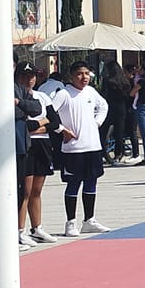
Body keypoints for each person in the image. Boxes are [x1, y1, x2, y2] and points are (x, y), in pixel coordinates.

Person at [51, 61, 110, 236]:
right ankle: (70, 223)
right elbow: (50, 113)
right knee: (73, 183)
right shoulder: (64, 94)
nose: (83, 77)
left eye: (86, 73)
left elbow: (104, 106)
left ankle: (89, 219)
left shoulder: (91, 92)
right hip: (73, 149)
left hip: (92, 146)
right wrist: (62, 130)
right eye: (79, 74)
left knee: (91, 181)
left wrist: (97, 122)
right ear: (71, 76)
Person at [15, 64, 56, 245]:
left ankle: (37, 227)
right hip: (25, 144)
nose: (29, 79)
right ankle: (19, 229)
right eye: (25, 75)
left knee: (37, 190)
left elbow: (54, 121)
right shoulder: (15, 95)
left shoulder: (42, 96)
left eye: (32, 75)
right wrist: (38, 123)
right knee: (25, 190)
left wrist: (39, 125)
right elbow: (26, 124)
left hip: (42, 144)